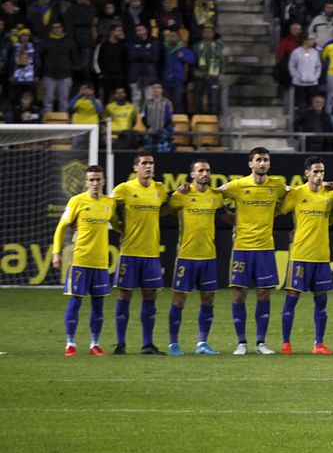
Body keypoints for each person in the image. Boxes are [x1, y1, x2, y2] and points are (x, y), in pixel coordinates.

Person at [221, 147, 290, 355]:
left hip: (265, 248)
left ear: (269, 164)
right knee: (238, 295)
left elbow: (297, 194)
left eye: (265, 160)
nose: (262, 163)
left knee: (263, 294)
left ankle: (261, 343)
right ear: (250, 164)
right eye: (258, 160)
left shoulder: (277, 185)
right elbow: (214, 196)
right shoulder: (238, 185)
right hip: (242, 247)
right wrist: (234, 221)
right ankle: (241, 342)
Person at [276, 156, 333, 354]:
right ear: (307, 173)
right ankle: (286, 343)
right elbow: (278, 211)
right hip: (300, 255)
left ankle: (318, 344)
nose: (319, 176)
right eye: (315, 172)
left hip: (321, 256)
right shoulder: (296, 194)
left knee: (321, 302)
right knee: (292, 298)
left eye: (322, 172)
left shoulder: (330, 195)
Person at [164, 159, 228, 355]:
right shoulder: (182, 195)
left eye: (207, 170)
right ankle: (173, 343)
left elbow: (226, 215)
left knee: (208, 299)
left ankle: (202, 343)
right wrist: (174, 190)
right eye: (200, 170)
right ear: (192, 174)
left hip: (208, 256)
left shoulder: (215, 197)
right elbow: (162, 205)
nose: (204, 173)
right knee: (179, 299)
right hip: (186, 256)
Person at [53, 163, 117, 356]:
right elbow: (61, 227)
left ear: (104, 181)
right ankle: (70, 344)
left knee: (98, 305)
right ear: (85, 182)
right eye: (91, 180)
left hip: (101, 263)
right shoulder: (76, 201)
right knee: (75, 302)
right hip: (80, 261)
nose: (95, 183)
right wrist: (56, 252)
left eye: (98, 179)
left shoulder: (109, 203)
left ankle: (94, 344)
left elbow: (118, 225)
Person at [111, 151, 170, 355]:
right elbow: (108, 208)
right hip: (129, 252)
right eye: (144, 163)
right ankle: (120, 343)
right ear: (135, 168)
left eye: (151, 163)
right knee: (124, 295)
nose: (149, 167)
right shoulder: (124, 189)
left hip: (151, 253)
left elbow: (167, 208)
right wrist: (119, 227)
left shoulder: (160, 189)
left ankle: (147, 344)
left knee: (150, 295)